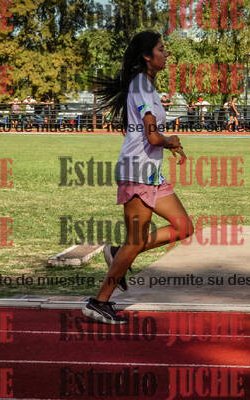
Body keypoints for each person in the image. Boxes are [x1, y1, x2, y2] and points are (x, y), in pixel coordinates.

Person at [86, 31, 192, 324]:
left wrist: (167, 143)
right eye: (161, 49)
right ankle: (99, 302)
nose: (166, 53)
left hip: (151, 173)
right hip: (137, 171)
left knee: (183, 226)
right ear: (147, 56)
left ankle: (119, 253)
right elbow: (152, 135)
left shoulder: (146, 85)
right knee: (135, 240)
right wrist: (170, 141)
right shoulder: (142, 85)